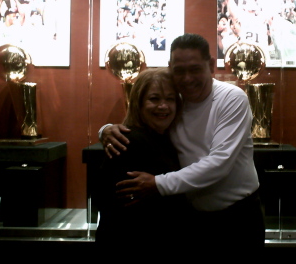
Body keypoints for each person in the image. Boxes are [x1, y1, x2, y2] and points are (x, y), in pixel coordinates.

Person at [100, 33, 265, 258]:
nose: (187, 78)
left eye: (195, 69)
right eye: (180, 70)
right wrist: (106, 129)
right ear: (170, 68)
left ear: (211, 65)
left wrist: (157, 184)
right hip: (192, 221)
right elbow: (144, 115)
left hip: (236, 218)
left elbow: (220, 163)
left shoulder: (231, 98)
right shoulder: (176, 97)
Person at [95, 67, 191, 257]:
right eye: (154, 99)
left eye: (170, 99)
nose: (163, 106)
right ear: (138, 103)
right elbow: (117, 205)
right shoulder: (128, 142)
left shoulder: (166, 138)